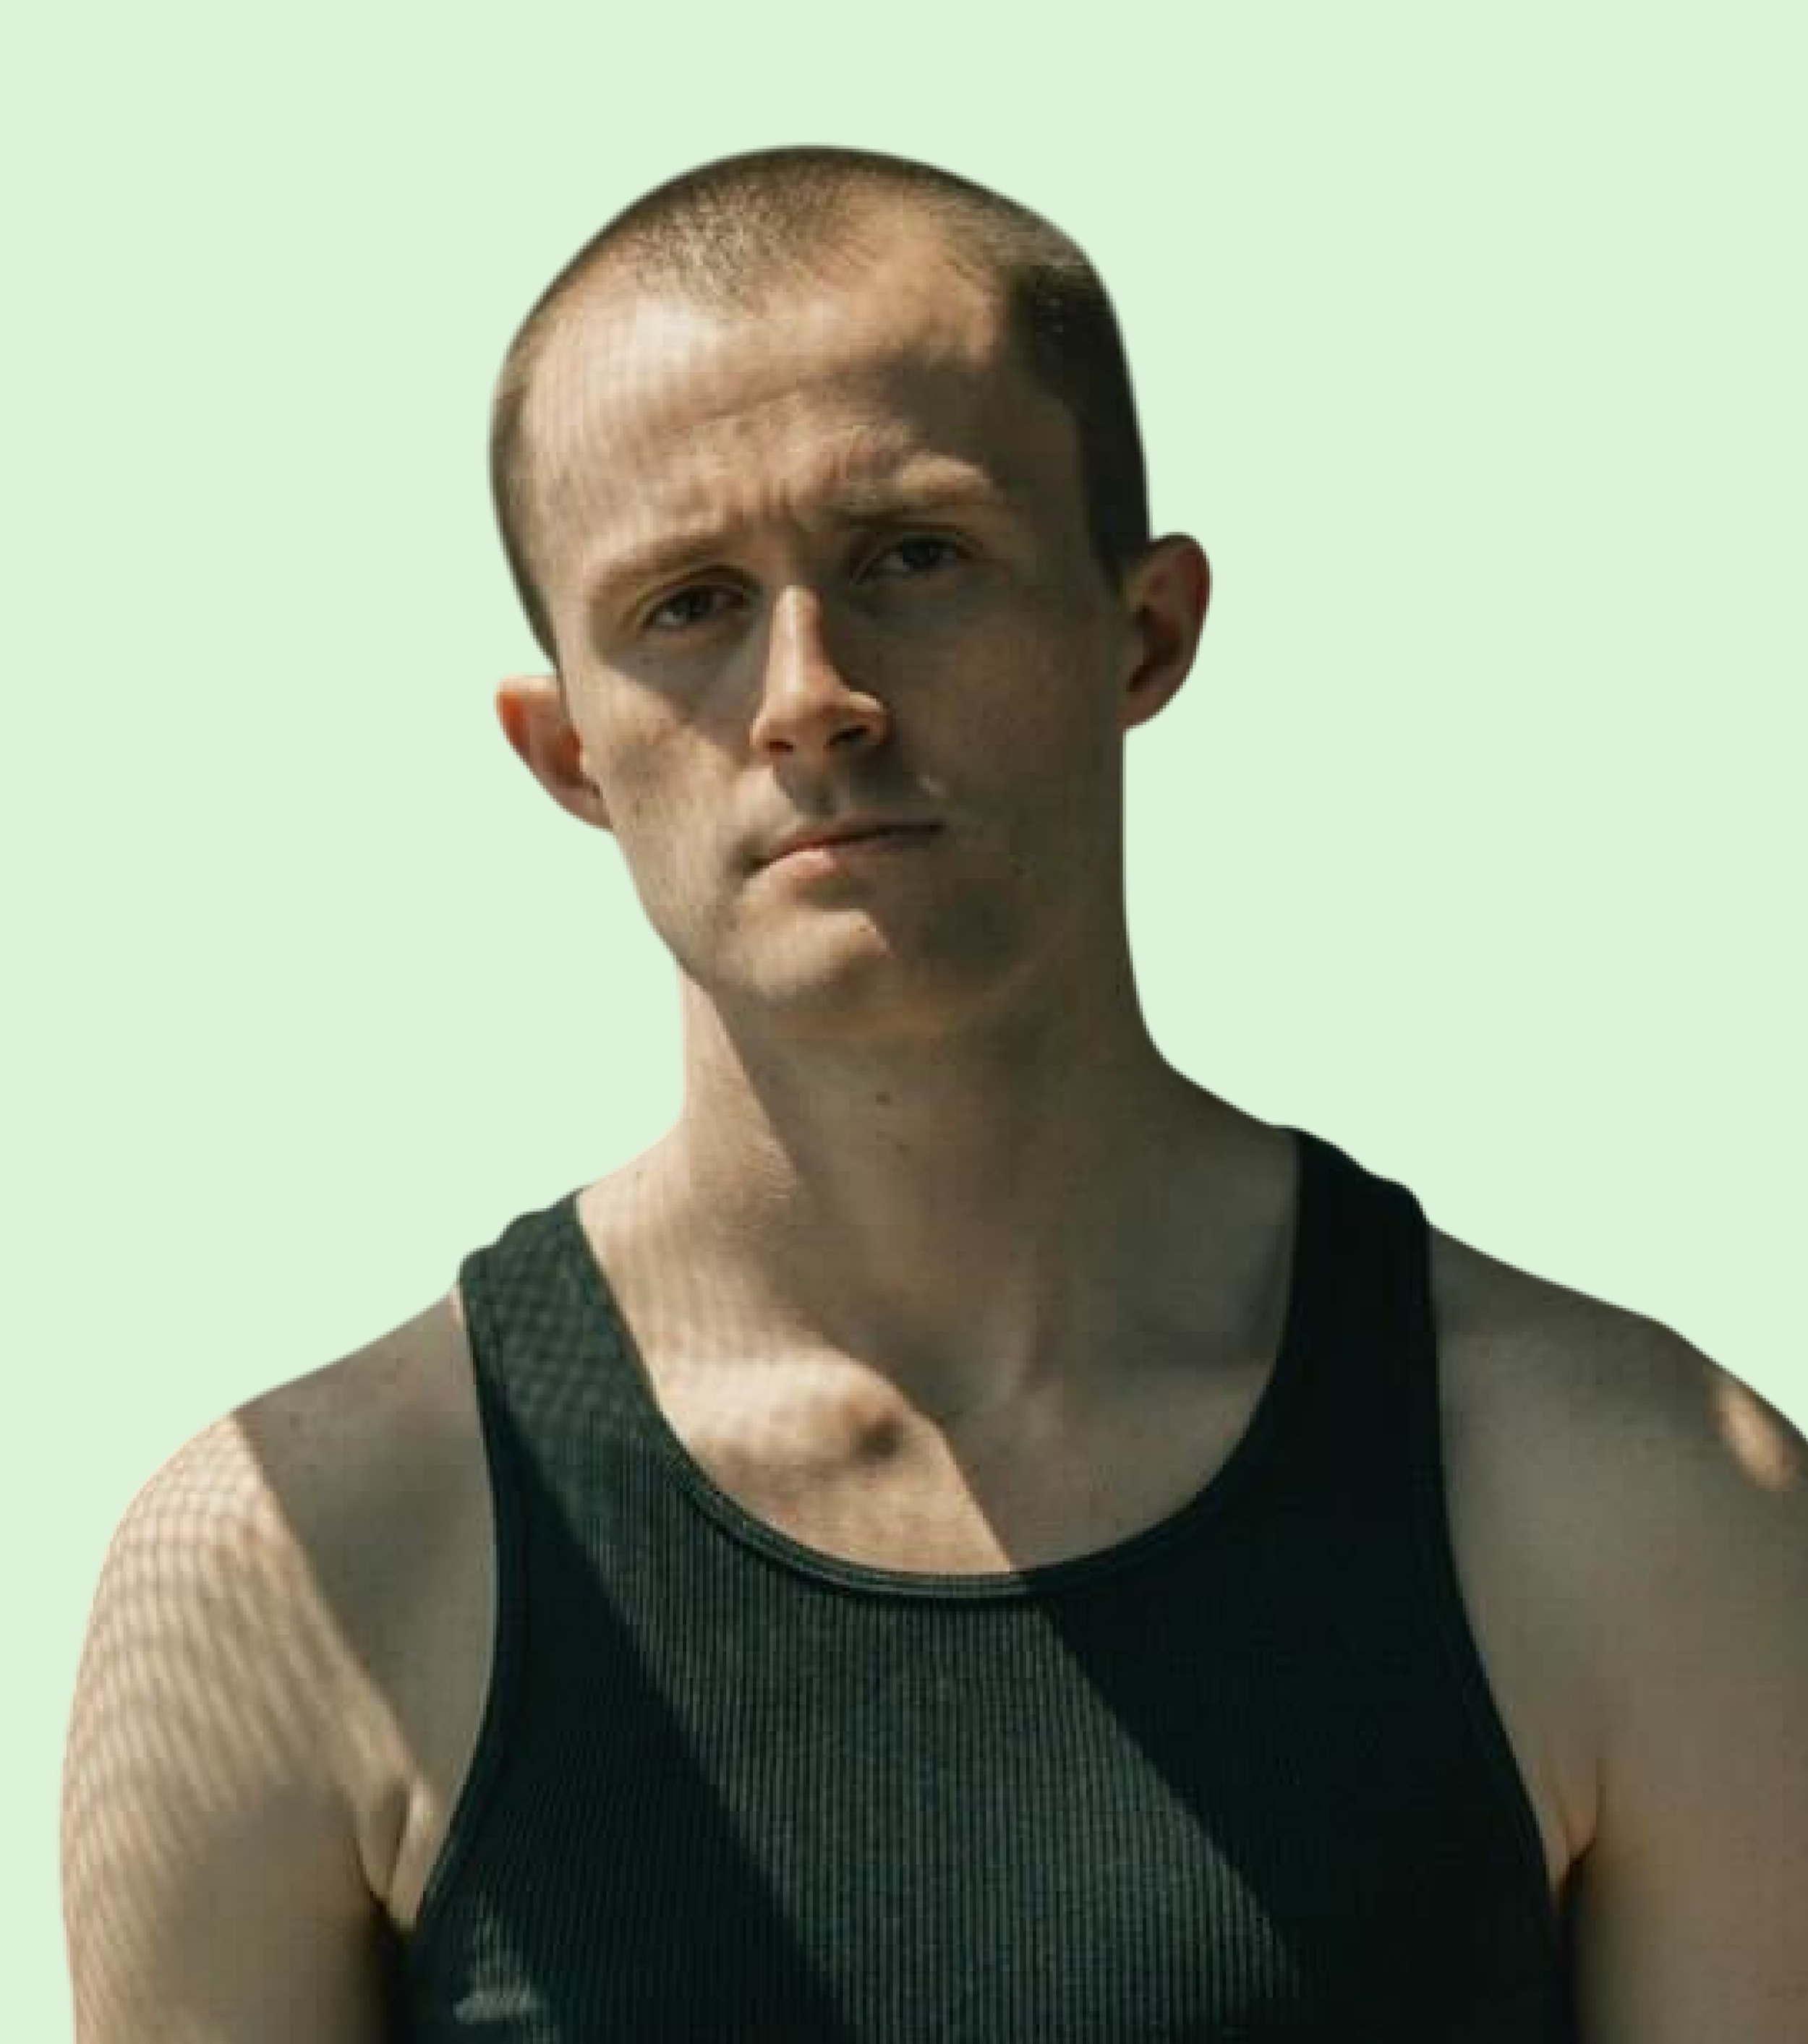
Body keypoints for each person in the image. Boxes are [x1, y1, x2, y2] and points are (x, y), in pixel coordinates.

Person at [60, 145, 1807, 2043]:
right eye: (688, 604)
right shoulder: (293, 1574)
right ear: (564, 752)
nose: (809, 691)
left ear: (1144, 628)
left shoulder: (1634, 1505)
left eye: (913, 555)